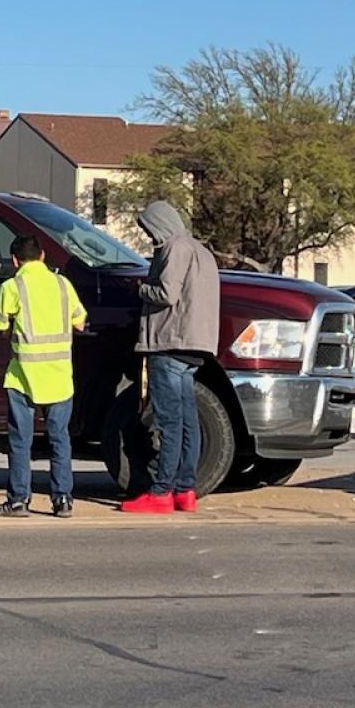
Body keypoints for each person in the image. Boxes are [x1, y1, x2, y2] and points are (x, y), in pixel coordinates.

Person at [121, 200, 221, 515]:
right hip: (196, 344)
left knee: (169, 421)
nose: (150, 237)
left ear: (159, 224)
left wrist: (139, 288)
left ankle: (161, 490)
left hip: (168, 342)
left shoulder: (174, 249)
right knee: (189, 421)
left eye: (149, 229)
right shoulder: (202, 251)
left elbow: (166, 294)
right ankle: (185, 489)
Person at [0, 234, 88, 519]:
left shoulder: (11, 287)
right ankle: (63, 500)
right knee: (60, 438)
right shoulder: (62, 284)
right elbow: (80, 322)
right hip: (59, 376)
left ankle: (19, 500)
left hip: (23, 376)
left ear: (14, 260)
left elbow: (0, 327)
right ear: (43, 256)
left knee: (21, 440)